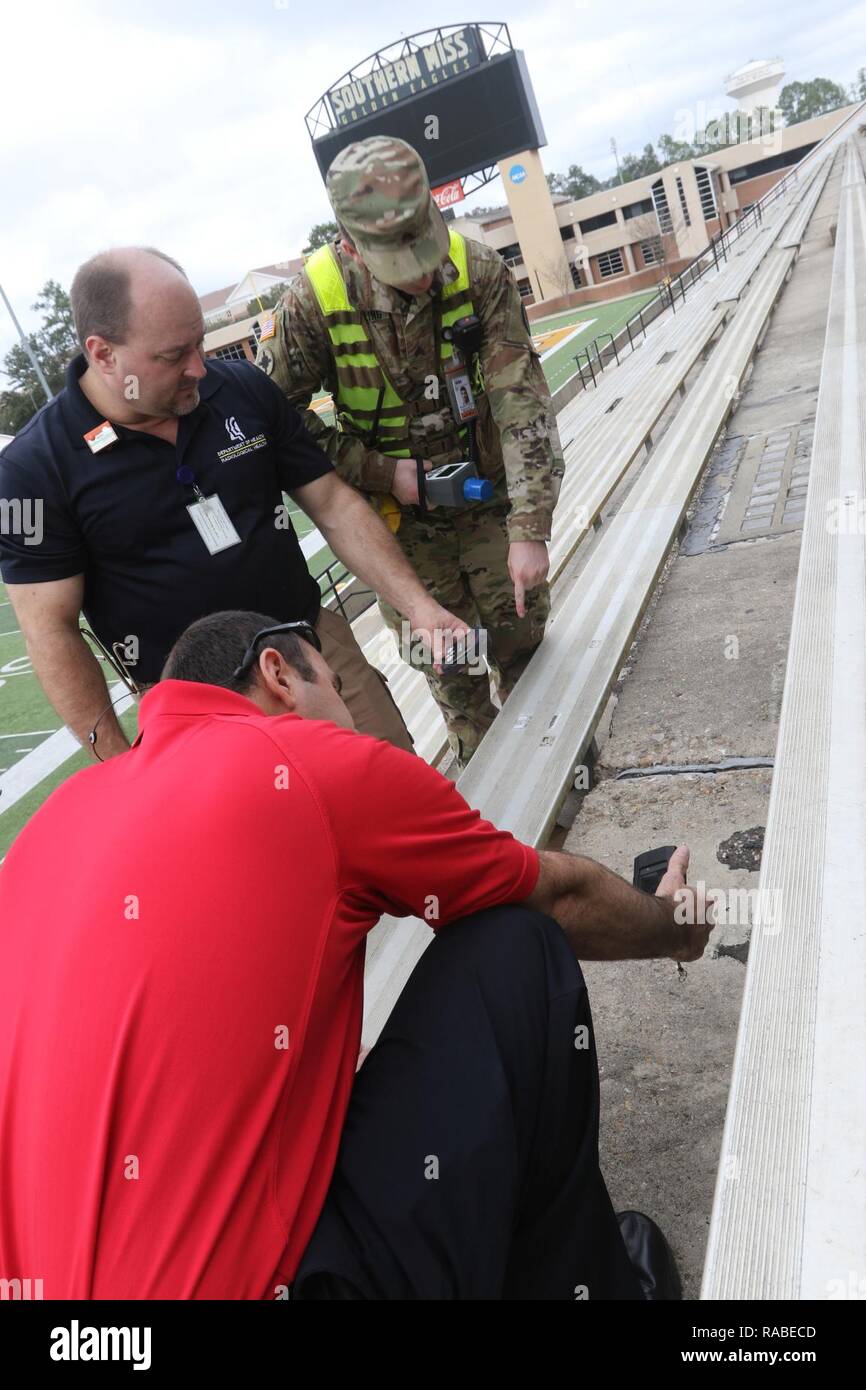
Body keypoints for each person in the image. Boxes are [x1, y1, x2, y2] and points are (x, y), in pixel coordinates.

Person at [0, 608, 708, 1300]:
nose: (353, 719)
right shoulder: (302, 761)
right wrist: (672, 926)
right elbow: (555, 897)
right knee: (513, 946)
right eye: (336, 689)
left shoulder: (53, 824)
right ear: (279, 673)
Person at [0, 246, 469, 758]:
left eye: (199, 344)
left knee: (392, 784)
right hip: (192, 703)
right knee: (271, 833)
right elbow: (50, 629)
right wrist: (116, 757)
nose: (199, 367)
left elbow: (333, 502)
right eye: (173, 355)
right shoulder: (33, 467)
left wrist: (419, 606)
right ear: (104, 353)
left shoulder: (241, 389)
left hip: (306, 643)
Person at [257, 136, 565, 766]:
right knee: (453, 680)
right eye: (398, 260)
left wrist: (530, 527)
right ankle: (499, 818)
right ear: (349, 244)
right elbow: (276, 418)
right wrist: (382, 471)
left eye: (422, 245)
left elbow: (520, 400)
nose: (422, 273)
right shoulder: (313, 302)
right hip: (398, 533)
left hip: (487, 503)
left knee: (523, 647)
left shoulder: (478, 271)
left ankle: (563, 778)